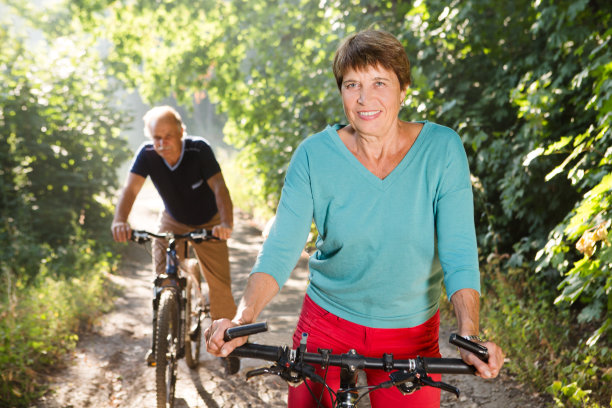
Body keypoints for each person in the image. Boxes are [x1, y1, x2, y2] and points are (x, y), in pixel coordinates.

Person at [205, 29, 504, 407]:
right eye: (352, 85)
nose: (365, 98)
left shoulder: (442, 149)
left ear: (403, 87)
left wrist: (469, 335)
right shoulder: (314, 155)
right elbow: (281, 245)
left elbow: (458, 250)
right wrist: (241, 318)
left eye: (380, 82)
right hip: (327, 325)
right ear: (341, 91)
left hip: (410, 332)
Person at [111, 105, 239, 371]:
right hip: (173, 219)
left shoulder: (199, 150)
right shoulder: (147, 155)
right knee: (163, 277)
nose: (162, 143)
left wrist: (226, 223)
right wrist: (119, 220)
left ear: (181, 132)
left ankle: (228, 344)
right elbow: (130, 190)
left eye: (168, 135)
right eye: (156, 137)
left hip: (209, 222)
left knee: (219, 286)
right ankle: (163, 336)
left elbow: (219, 188)